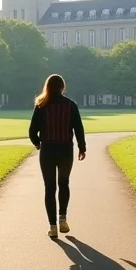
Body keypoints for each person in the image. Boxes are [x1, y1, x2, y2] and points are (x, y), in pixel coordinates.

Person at [29, 74, 87, 239]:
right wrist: (82, 148)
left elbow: (32, 131)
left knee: (49, 188)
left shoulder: (41, 106)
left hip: (47, 150)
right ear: (62, 87)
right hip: (65, 150)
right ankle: (63, 218)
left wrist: (38, 143)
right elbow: (78, 129)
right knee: (64, 183)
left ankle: (52, 226)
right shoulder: (71, 106)